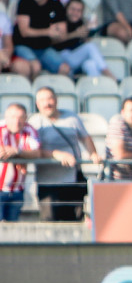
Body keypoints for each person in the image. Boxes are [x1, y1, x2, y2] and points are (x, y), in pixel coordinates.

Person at [29, 86, 100, 221]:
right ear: (37, 104)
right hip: (48, 183)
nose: (47, 103)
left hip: (72, 180)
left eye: (50, 98)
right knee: (50, 224)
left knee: (74, 222)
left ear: (56, 100)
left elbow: (85, 137)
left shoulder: (71, 117)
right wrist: (56, 154)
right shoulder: (34, 122)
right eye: (42, 100)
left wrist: (93, 154)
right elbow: (33, 151)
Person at [14, 0, 69, 77]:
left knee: (65, 68)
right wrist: (48, 32)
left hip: (45, 47)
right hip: (24, 45)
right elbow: (24, 32)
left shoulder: (56, 5)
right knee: (35, 66)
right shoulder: (25, 2)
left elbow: (62, 32)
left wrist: (55, 33)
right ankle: (35, 92)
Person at [55, 0, 116, 79]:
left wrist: (88, 34)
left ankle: (97, 88)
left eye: (78, 11)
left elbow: (83, 43)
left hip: (76, 59)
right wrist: (75, 34)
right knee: (90, 47)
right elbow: (55, 41)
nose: (75, 13)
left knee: (91, 64)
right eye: (72, 9)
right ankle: (110, 76)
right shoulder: (60, 20)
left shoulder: (81, 23)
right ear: (67, 9)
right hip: (62, 58)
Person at [0, 103, 42, 222]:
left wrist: (16, 151)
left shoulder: (29, 130)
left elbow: (36, 153)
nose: (16, 121)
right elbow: (2, 153)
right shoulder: (1, 129)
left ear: (25, 118)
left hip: (17, 190)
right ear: (6, 117)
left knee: (12, 229)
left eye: (20, 117)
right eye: (13, 117)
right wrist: (22, 155)